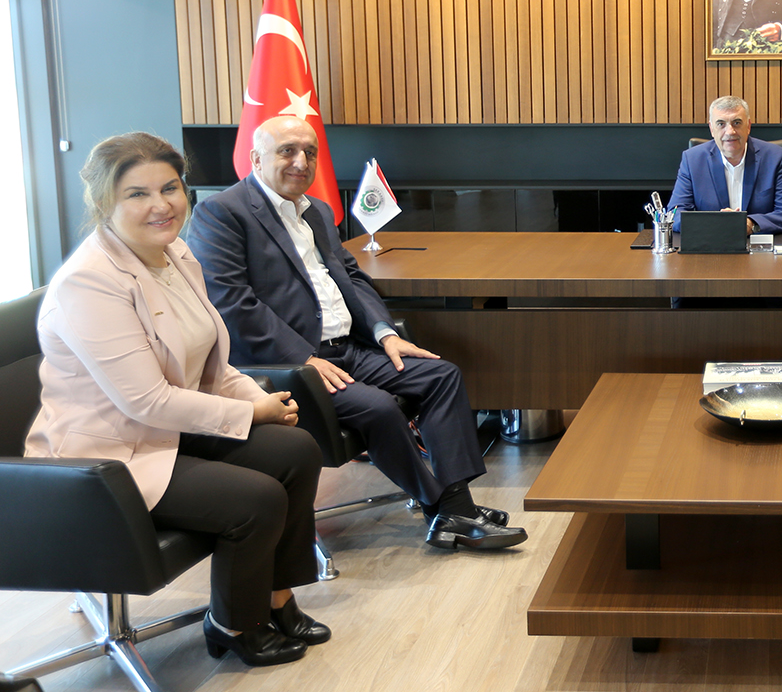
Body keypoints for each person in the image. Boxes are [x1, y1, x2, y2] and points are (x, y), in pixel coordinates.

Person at [26, 133, 327, 667]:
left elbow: (210, 363)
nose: (161, 205)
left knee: (296, 449)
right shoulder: (89, 283)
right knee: (256, 498)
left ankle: (276, 596)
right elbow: (146, 401)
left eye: (169, 188)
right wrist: (250, 412)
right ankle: (234, 623)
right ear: (104, 202)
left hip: (168, 430)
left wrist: (261, 398)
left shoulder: (176, 254)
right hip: (107, 457)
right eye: (137, 194)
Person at [185, 116, 525, 552]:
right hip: (287, 366)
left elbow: (351, 277)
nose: (301, 161)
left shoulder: (316, 210)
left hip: (349, 350)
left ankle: (455, 509)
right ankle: (445, 506)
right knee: (379, 408)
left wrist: (385, 333)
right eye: (287, 151)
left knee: (441, 376)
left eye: (309, 152)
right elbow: (232, 302)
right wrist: (303, 357)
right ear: (256, 159)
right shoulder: (221, 212)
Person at [667, 95, 782, 235]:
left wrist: (750, 224)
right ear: (712, 129)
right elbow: (675, 215)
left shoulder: (775, 157)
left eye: (736, 123)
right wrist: (716, 223)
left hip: (759, 244)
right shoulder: (692, 160)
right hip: (711, 243)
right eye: (721, 124)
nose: (730, 131)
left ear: (748, 126)